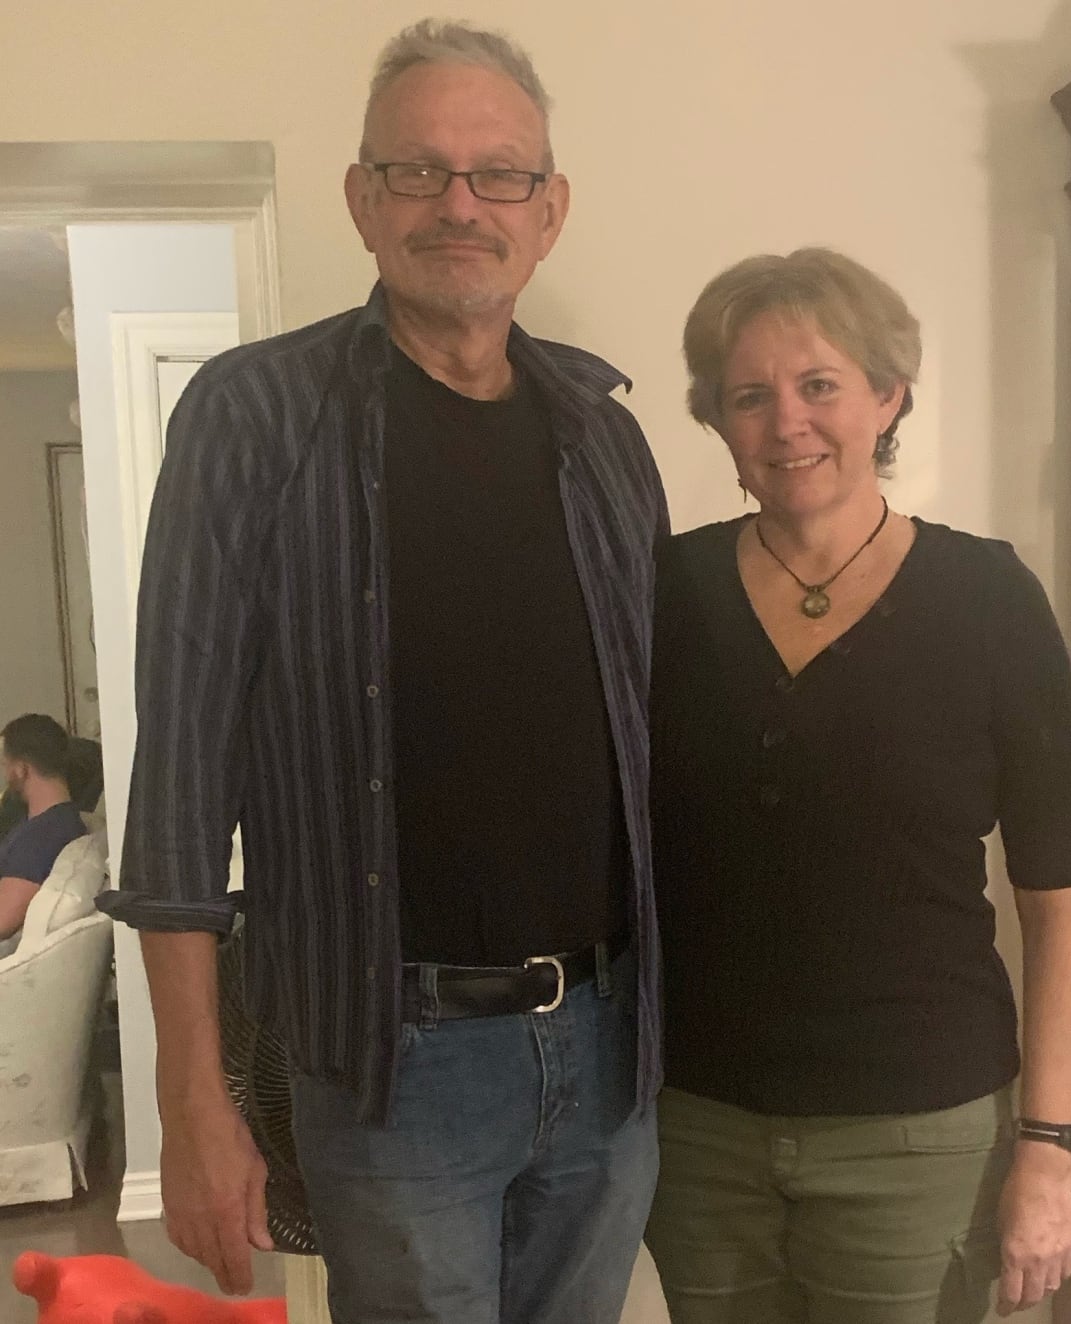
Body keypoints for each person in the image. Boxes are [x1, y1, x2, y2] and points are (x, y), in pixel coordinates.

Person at [97, 18, 667, 1324]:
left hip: (608, 1040)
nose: (460, 204)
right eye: (419, 171)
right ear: (363, 200)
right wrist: (193, 1101)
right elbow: (182, 778)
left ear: (550, 209)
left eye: (498, 173)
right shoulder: (253, 418)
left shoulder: (606, 441)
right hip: (390, 1062)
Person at [645, 248, 1071, 1324]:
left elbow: (1063, 900)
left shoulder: (987, 598)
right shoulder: (661, 590)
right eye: (748, 396)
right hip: (697, 1128)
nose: (785, 422)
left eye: (819, 385)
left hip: (924, 1134)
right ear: (716, 420)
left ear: (887, 395)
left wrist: (1048, 1147)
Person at [0, 713, 88, 942]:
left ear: (21, 769)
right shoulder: (58, 821)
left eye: (5, 764)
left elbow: (3, 920)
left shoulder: (44, 836)